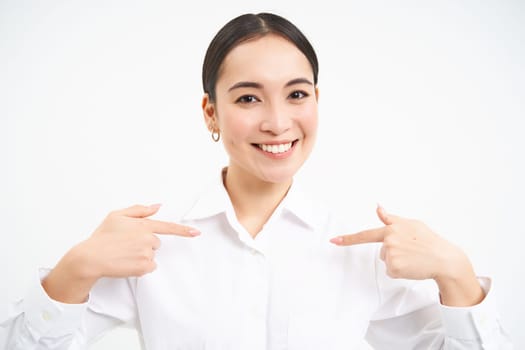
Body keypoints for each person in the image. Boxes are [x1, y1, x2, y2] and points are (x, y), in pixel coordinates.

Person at [1, 12, 512, 350]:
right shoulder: (152, 246)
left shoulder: (362, 248)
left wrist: (456, 274)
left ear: (317, 101)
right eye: (248, 97)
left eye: (296, 94)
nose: (277, 122)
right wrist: (75, 270)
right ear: (210, 113)